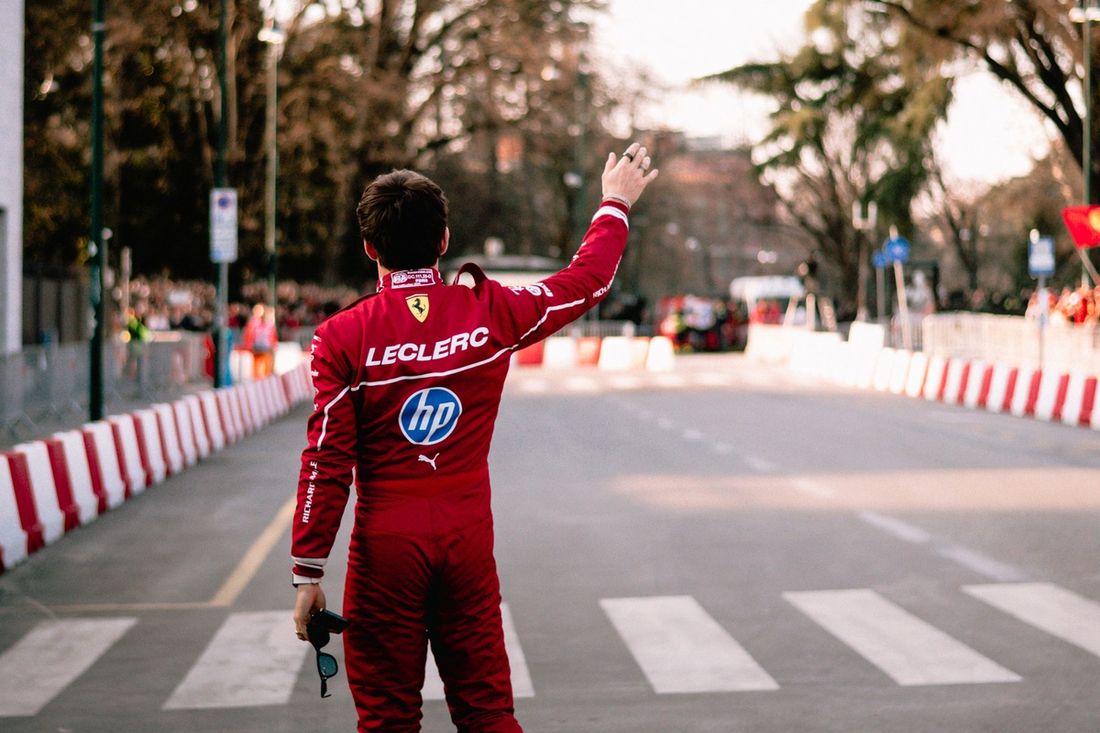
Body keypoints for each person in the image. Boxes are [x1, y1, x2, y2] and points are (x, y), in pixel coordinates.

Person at [290, 142, 658, 732]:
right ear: (443, 241)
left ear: (369, 248)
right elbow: (585, 284)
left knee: (387, 722)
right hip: (466, 545)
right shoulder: (488, 310)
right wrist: (615, 203)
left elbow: (326, 460)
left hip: (385, 549)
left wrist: (308, 572)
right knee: (488, 715)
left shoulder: (340, 337)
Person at [242, 303, 278, 378]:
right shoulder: (253, 324)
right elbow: (248, 336)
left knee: (266, 369)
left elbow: (272, 336)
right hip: (257, 348)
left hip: (266, 349)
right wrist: (249, 346)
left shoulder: (269, 324)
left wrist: (273, 346)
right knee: (257, 369)